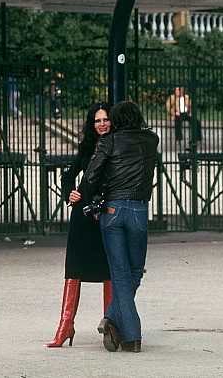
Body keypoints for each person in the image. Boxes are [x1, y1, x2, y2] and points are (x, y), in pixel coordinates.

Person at [79, 100, 159, 354]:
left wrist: (92, 202)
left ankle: (127, 332)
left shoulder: (109, 142)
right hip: (139, 210)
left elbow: (90, 178)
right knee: (135, 272)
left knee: (121, 274)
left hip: (112, 210)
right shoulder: (151, 140)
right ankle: (113, 322)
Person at [46, 101, 113, 348]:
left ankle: (110, 327)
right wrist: (69, 193)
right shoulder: (86, 148)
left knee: (109, 270)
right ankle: (65, 326)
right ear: (91, 124)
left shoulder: (118, 145)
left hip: (106, 212)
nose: (102, 124)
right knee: (73, 268)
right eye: (97, 120)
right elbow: (67, 176)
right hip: (82, 214)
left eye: (105, 119)